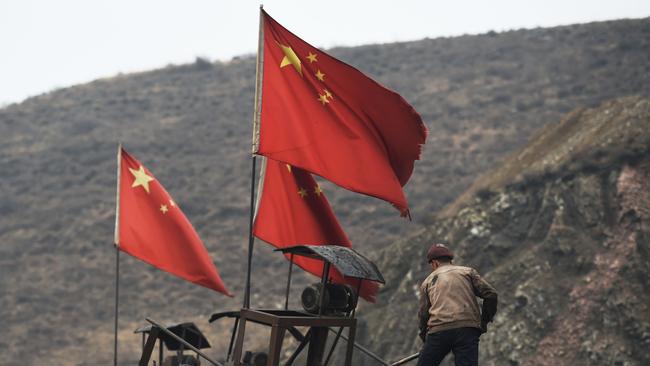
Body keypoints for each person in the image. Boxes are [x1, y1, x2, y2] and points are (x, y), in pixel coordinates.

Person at [416, 243, 498, 366]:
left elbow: (423, 314)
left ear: (434, 263)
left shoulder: (427, 282)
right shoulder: (468, 272)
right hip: (467, 330)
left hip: (439, 332)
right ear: (450, 260)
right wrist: (484, 320)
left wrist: (424, 337)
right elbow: (491, 294)